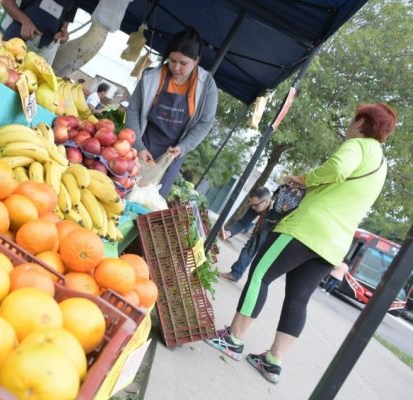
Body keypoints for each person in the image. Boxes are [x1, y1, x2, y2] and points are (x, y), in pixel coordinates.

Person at [206, 103, 396, 384]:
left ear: (361, 123)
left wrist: (304, 179)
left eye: (353, 119)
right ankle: (272, 362)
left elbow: (337, 169)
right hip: (334, 244)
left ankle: (233, 339)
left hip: (305, 229)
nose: (349, 124)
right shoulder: (381, 165)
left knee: (260, 275)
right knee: (298, 298)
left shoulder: (357, 146)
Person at [125, 26, 218, 197]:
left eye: (183, 63)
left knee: (148, 199)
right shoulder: (151, 76)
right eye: (172, 60)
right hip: (141, 144)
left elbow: (205, 123)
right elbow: (133, 111)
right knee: (124, 188)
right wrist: (138, 146)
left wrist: (183, 147)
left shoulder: (207, 85)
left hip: (172, 156)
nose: (176, 67)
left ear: (196, 60)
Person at [218, 186, 280, 283]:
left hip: (277, 232)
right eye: (251, 204)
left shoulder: (278, 208)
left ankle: (257, 284)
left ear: (267, 202)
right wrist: (228, 233)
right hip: (261, 228)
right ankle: (235, 274)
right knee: (249, 248)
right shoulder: (254, 206)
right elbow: (242, 223)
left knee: (263, 259)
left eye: (255, 205)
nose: (253, 207)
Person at [1, 0, 78, 49]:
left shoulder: (73, 2)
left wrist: (63, 36)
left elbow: (64, 27)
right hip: (12, 44)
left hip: (39, 58)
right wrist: (25, 21)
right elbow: (7, 2)